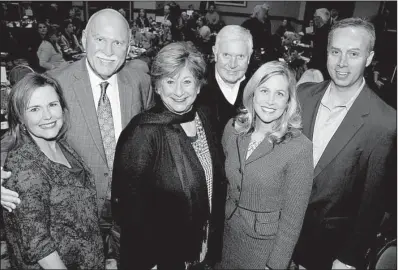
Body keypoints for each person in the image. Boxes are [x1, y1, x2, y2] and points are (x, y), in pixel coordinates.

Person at [1, 8, 153, 268]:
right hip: (74, 217)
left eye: (118, 42)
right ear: (84, 39)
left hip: (127, 209)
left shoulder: (140, 82)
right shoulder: (55, 82)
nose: (108, 50)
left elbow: (151, 136)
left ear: (129, 47)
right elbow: (15, 135)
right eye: (99, 39)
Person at [293, 18, 397, 270]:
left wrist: (349, 257)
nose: (342, 63)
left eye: (353, 54)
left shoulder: (385, 121)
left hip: (328, 250)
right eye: (335, 52)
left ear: (369, 58)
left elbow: (373, 202)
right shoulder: (302, 95)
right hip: (280, 237)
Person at [112, 42, 226, 270]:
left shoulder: (205, 118)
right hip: (163, 256)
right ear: (157, 86)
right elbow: (130, 212)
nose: (179, 92)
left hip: (203, 248)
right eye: (170, 81)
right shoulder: (143, 132)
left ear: (199, 86)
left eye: (187, 82)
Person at [216, 61, 313, 269]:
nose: (270, 101)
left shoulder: (299, 147)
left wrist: (276, 265)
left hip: (263, 251)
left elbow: (292, 220)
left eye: (279, 94)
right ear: (253, 93)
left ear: (289, 101)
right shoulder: (233, 129)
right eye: (264, 90)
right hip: (225, 240)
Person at [1, 73, 104, 269]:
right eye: (34, 109)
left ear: (62, 107)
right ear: (21, 117)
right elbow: (38, 245)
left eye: (52, 105)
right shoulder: (25, 166)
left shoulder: (62, 146)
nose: (47, 116)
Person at [197, 25, 253, 138]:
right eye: (226, 55)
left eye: (240, 56)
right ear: (215, 52)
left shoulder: (258, 88)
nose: (232, 65)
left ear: (249, 56)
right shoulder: (197, 86)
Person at [307, 8, 331, 80]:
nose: (314, 20)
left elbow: (319, 53)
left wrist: (308, 65)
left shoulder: (323, 33)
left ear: (319, 18)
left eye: (315, 17)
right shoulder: (321, 30)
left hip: (320, 68)